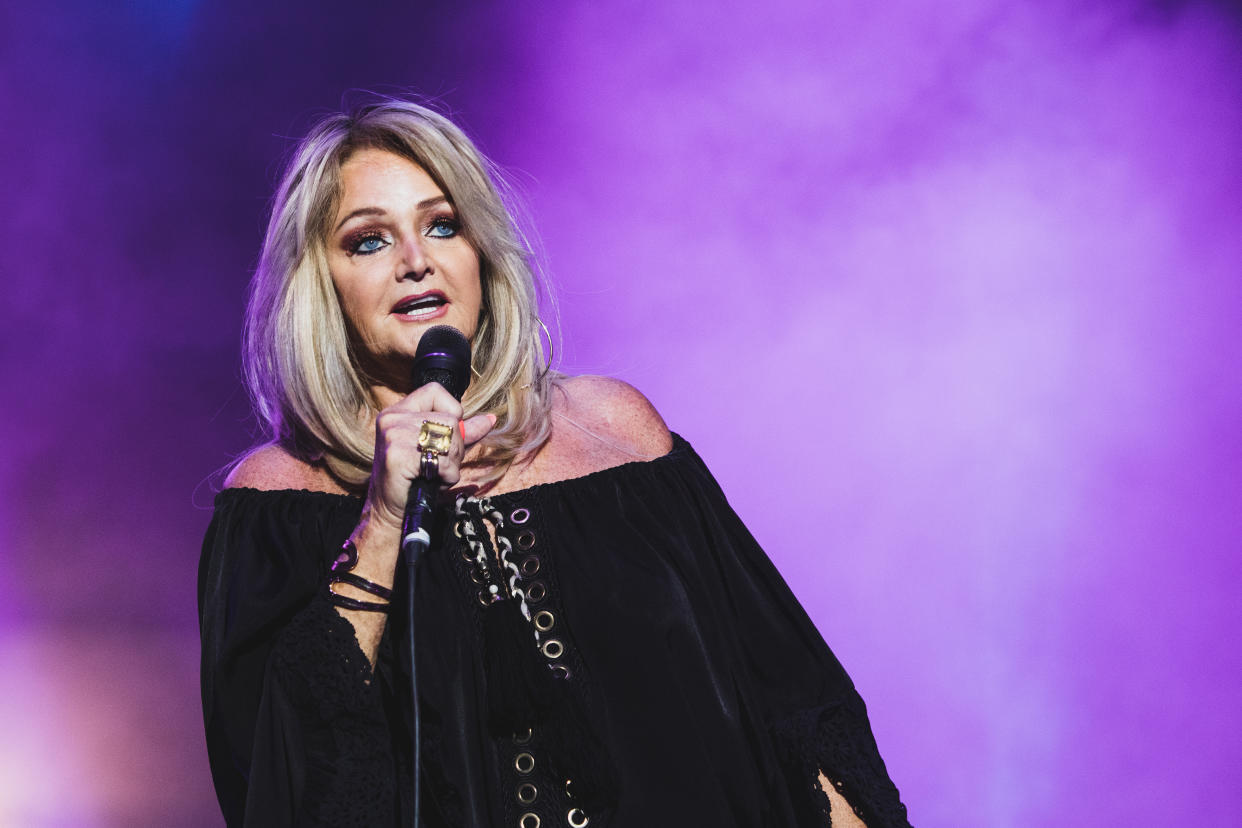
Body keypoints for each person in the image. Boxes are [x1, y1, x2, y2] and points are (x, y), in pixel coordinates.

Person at [198, 97, 911, 828]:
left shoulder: (616, 431)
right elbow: (284, 779)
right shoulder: (277, 497)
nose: (417, 261)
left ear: (480, 252)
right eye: (369, 241)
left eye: (443, 226)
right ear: (322, 281)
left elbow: (793, 704)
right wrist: (383, 519)